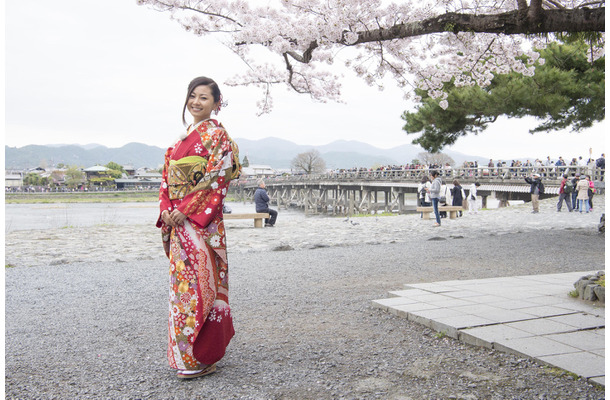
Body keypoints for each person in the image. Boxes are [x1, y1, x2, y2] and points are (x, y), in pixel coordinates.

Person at [157, 76, 241, 379]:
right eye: (192, 96)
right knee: (181, 290)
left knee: (200, 288)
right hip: (179, 223)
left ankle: (203, 355)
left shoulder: (217, 136)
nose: (196, 102)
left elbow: (218, 178)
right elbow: (166, 181)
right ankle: (184, 355)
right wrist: (168, 209)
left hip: (200, 225)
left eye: (204, 97)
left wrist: (185, 209)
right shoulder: (178, 142)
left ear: (216, 103)